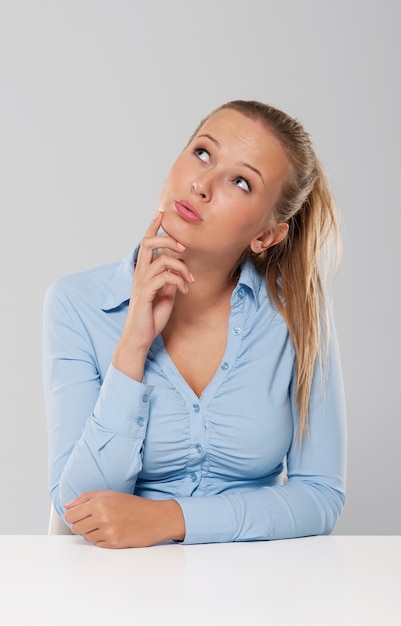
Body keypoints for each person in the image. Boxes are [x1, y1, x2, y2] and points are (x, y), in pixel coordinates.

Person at [43, 99, 346, 549]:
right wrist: (133, 346)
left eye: (240, 182)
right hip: (119, 588)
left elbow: (321, 496)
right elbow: (79, 506)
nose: (202, 184)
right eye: (203, 153)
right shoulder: (75, 304)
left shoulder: (299, 310)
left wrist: (172, 519)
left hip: (259, 589)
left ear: (266, 235)